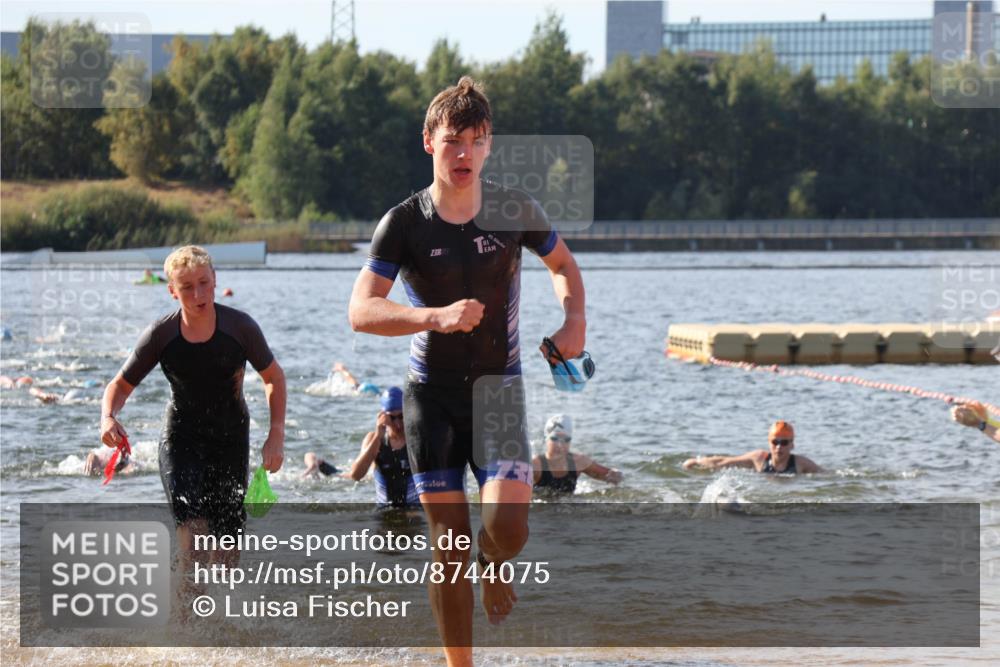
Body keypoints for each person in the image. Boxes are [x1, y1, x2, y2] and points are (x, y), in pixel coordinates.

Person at [348, 76, 586, 666]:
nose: (464, 154)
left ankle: (494, 561)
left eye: (476, 141)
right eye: (453, 140)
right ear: (429, 141)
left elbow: (562, 265)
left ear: (489, 146)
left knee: (510, 529)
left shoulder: (513, 209)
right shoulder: (404, 223)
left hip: (497, 391)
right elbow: (361, 311)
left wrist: (573, 321)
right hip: (430, 397)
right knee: (447, 549)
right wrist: (434, 316)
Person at [99, 245, 286, 579]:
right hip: (181, 440)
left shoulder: (240, 328)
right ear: (172, 290)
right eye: (186, 287)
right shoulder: (161, 334)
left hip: (230, 440)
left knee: (227, 553)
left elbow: (273, 377)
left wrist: (276, 434)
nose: (198, 294)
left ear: (215, 280)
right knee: (196, 544)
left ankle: (217, 610)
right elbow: (120, 385)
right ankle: (184, 609)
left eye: (203, 283)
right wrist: (108, 417)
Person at [341, 387, 420, 508]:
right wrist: (378, 436)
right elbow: (356, 475)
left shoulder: (417, 439)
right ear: (383, 416)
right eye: (392, 418)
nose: (398, 424)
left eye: (401, 416)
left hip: (415, 511)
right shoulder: (374, 439)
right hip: (384, 512)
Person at [682, 421, 821, 474]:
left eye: (784, 443)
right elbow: (724, 462)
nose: (779, 447)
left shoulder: (801, 463)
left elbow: (826, 476)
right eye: (775, 442)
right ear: (769, 443)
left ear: (792, 444)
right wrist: (697, 462)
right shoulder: (758, 458)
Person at [532, 414, 623, 495]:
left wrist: (616, 475)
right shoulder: (535, 466)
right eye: (555, 439)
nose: (560, 445)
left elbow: (609, 475)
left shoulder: (578, 462)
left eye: (566, 439)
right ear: (546, 439)